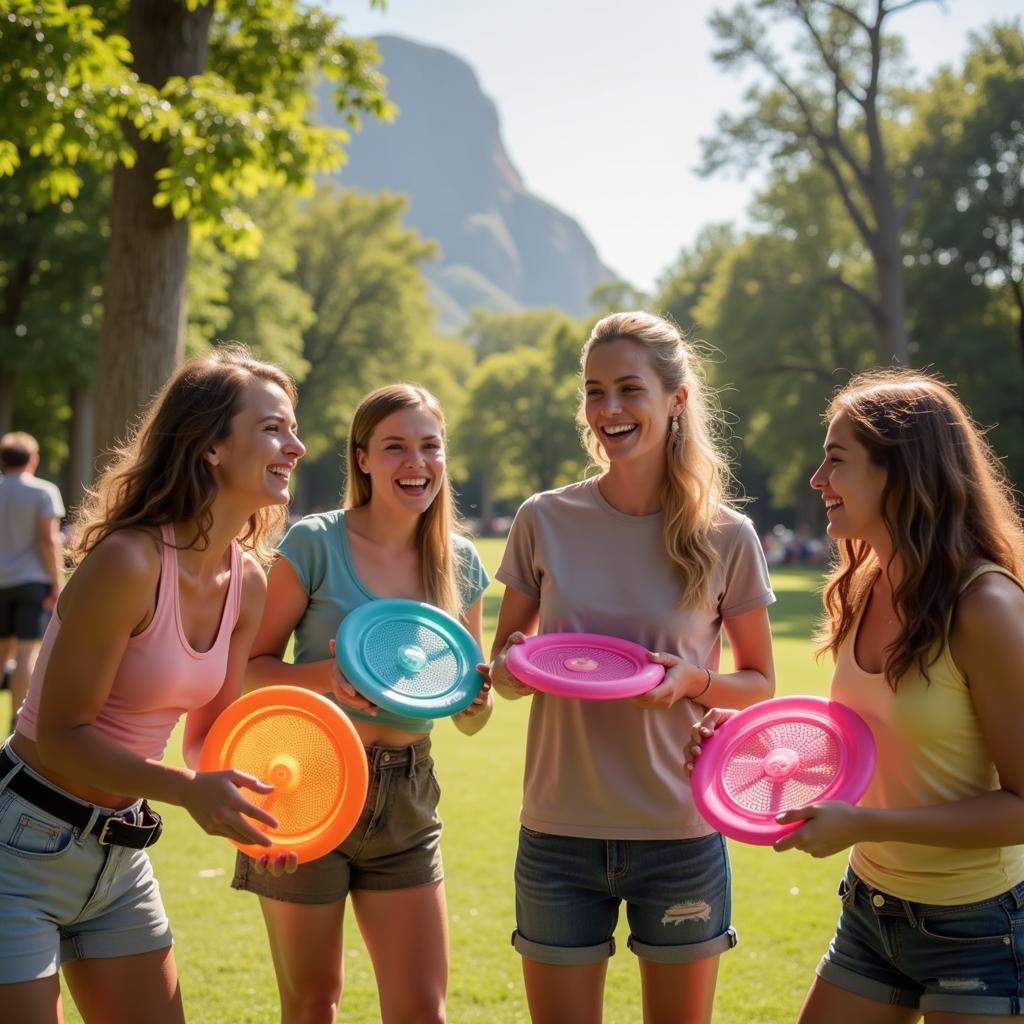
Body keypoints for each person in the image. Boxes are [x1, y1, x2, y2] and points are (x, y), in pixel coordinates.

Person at [690, 369, 1024, 1022]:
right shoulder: (863, 583)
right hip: (871, 909)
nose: (817, 480)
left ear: (899, 475)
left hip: (979, 929)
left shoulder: (987, 607)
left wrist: (865, 822)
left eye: (836, 462)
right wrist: (745, 742)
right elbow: (871, 745)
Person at [0, 347, 306, 1024]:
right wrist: (187, 792)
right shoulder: (128, 561)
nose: (297, 444)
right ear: (210, 448)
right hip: (19, 846)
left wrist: (267, 823)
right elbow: (62, 735)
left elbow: (211, 741)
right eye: (274, 428)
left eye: (292, 429)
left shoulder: (246, 582)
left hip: (118, 858)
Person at [488, 311, 776, 1024]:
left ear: (675, 398)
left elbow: (760, 682)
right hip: (558, 831)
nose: (608, 410)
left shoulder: (727, 536)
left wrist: (691, 681)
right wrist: (515, 671)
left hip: (679, 833)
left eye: (628, 389)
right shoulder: (542, 519)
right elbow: (503, 664)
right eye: (594, 391)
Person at [233, 382, 493, 1024]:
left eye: (430, 447)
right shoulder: (315, 543)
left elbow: (471, 715)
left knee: (420, 1010)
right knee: (312, 1002)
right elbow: (248, 670)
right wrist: (330, 677)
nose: (417, 463)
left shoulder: (458, 562)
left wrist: (477, 698)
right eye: (396, 447)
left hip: (405, 796)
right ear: (363, 457)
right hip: (304, 783)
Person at [0, 431, 66, 734]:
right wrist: (58, 582)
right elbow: (47, 539)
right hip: (31, 581)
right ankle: (16, 723)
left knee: (2, 651)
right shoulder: (43, 491)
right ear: (34, 459)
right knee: (27, 651)